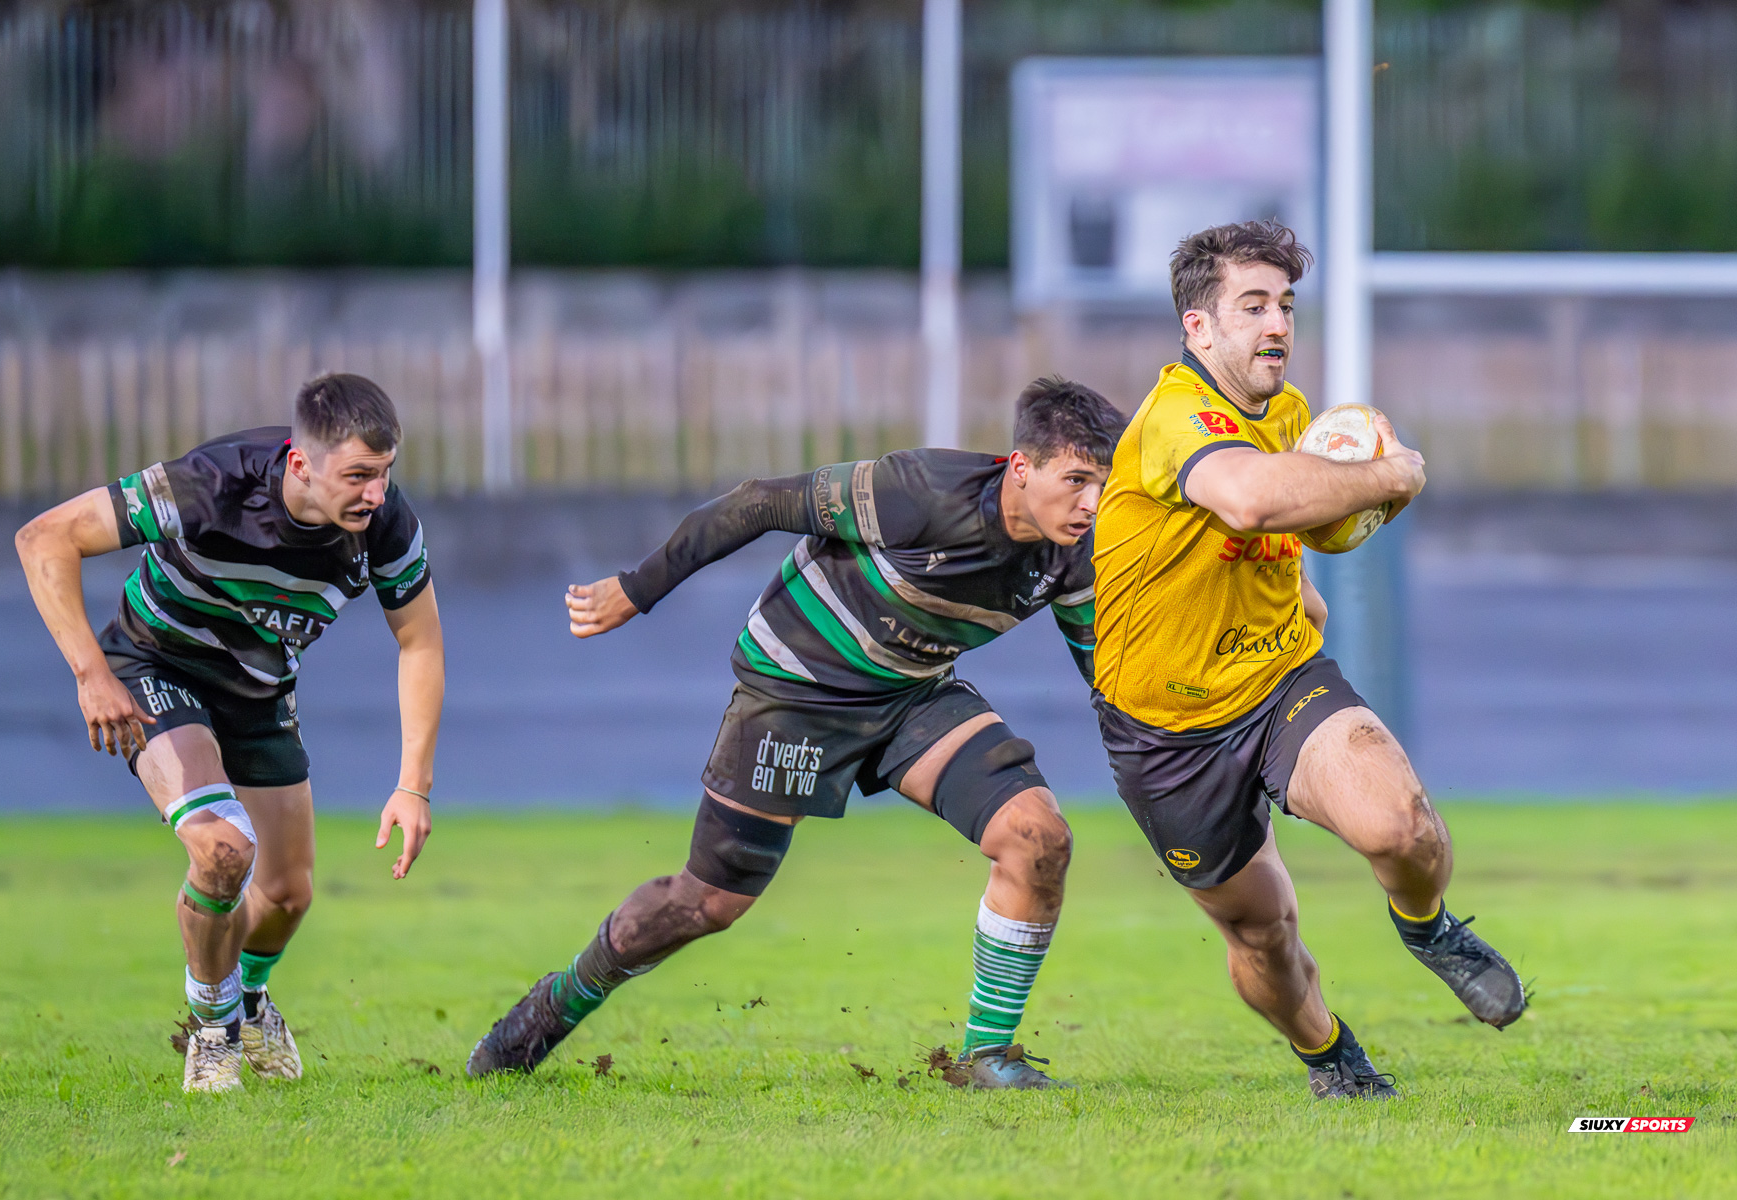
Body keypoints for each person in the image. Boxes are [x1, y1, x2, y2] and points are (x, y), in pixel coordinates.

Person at [467, 378, 1126, 1089]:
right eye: (1077, 480)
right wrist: (638, 587)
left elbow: (1106, 672)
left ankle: (986, 1060)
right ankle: (557, 1003)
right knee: (707, 904)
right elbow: (757, 502)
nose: (1090, 504)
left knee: (1039, 837)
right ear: (1021, 468)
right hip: (796, 687)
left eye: (1103, 485)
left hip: (911, 693)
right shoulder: (918, 491)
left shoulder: (1076, 552)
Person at [1090, 221, 1524, 1100]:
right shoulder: (1176, 418)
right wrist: (1390, 475)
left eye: (1285, 305)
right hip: (1165, 732)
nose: (1277, 324)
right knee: (1263, 937)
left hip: (1281, 679)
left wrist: (1309, 585)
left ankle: (1430, 928)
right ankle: (1331, 1056)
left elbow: (1288, 535)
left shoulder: (1290, 416)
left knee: (1402, 827)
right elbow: (1248, 502)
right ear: (1198, 328)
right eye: (1251, 306)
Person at [16, 373, 444, 1093]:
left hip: (258, 692)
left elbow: (421, 643)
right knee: (222, 853)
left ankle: (248, 999)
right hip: (155, 666)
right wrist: (92, 674)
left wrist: (413, 786)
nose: (376, 493)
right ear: (300, 464)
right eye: (359, 476)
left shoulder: (386, 525)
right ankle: (212, 1033)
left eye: (385, 473)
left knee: (286, 897)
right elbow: (44, 538)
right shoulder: (213, 484)